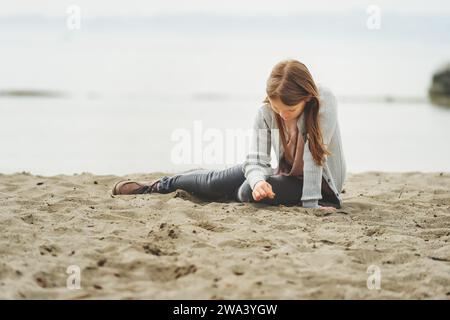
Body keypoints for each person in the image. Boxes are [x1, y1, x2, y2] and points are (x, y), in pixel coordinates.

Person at [112, 59, 346, 211]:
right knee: (219, 179)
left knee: (245, 192)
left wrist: (312, 206)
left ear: (306, 98)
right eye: (277, 109)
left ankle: (231, 193)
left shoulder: (323, 102)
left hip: (318, 185)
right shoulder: (265, 113)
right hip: (284, 174)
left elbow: (314, 156)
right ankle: (156, 187)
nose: (283, 116)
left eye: (290, 110)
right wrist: (258, 181)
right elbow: (256, 160)